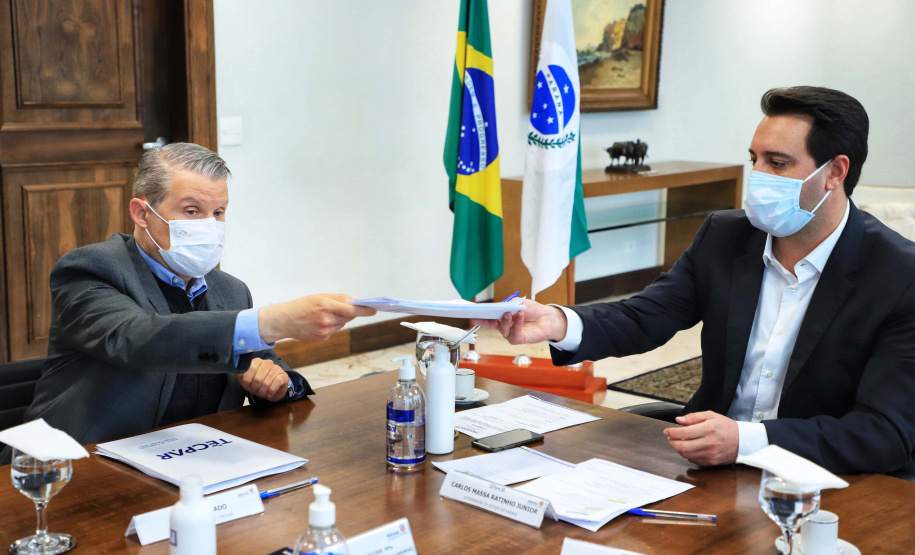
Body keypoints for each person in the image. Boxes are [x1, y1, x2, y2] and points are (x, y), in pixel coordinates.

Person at [476, 86, 915, 475]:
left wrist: (747, 440)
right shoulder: (726, 235)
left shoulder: (899, 276)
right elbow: (647, 315)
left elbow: (885, 433)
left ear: (835, 173)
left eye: (778, 163)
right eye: (754, 159)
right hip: (708, 464)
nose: (758, 176)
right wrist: (556, 321)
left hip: (823, 478)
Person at [1, 143, 375, 462]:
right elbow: (135, 337)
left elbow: (270, 370)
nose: (209, 227)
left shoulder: (230, 290)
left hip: (190, 462)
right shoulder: (91, 269)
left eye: (219, 212)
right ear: (142, 213)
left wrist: (278, 384)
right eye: (192, 211)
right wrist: (270, 321)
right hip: (74, 468)